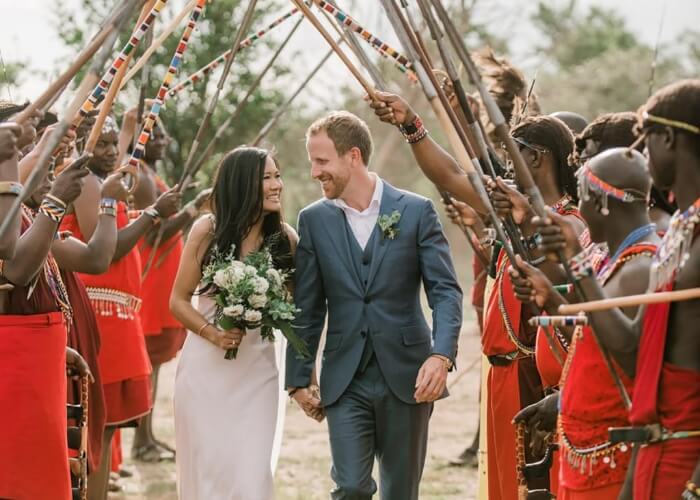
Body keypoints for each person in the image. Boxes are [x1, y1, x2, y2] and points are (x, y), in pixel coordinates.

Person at [530, 80, 700, 499]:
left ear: (668, 137)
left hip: (686, 451)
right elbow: (632, 345)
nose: (640, 151)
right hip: (654, 445)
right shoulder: (682, 230)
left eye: (645, 136)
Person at [286, 111, 463, 499]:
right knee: (350, 487)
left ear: (353, 156)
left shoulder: (416, 211)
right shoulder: (313, 220)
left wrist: (442, 355)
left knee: (400, 491)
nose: (315, 172)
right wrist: (299, 377)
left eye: (321, 161)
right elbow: (308, 306)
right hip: (345, 377)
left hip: (409, 376)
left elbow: (445, 292)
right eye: (312, 162)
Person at [512, 148, 660, 499]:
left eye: (584, 195)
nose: (581, 206)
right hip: (588, 452)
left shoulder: (641, 267)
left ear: (601, 201)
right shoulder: (620, 260)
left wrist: (575, 259)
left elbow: (626, 355)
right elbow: (596, 338)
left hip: (610, 458)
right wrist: (550, 297)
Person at [59, 116, 181, 500]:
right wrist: (153, 214)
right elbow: (105, 251)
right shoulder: (90, 185)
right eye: (104, 145)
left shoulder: (101, 179)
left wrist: (129, 125)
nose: (113, 151)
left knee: (106, 422)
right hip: (100, 312)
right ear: (84, 144)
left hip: (118, 311)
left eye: (117, 144)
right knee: (97, 422)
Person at [170, 147, 293, 500]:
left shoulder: (285, 239)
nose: (277, 185)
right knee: (208, 476)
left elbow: (300, 307)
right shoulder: (207, 230)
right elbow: (177, 300)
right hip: (206, 372)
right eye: (267, 178)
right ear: (244, 183)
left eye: (277, 176)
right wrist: (214, 334)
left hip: (259, 373)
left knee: (251, 479)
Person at [0, 137, 92, 500]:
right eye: (18, 154)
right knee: (22, 480)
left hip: (32, 362)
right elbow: (17, 270)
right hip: (15, 367)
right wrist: (56, 202)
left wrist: (57, 351)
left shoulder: (18, 213)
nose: (36, 167)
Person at [129, 121, 209, 462]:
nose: (164, 140)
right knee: (148, 365)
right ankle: (140, 441)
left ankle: (146, 437)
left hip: (162, 279)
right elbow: (153, 236)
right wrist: (195, 208)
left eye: (164, 134)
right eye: (156, 135)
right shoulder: (142, 177)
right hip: (153, 281)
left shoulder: (149, 174)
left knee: (154, 366)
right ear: (138, 140)